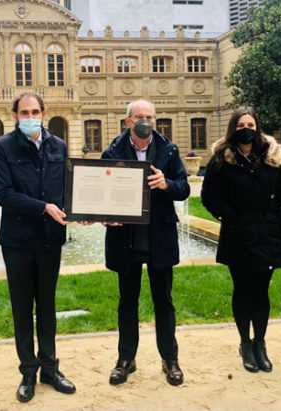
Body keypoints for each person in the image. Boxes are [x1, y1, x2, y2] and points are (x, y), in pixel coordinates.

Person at [0, 92, 76, 402]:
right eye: (24, 112)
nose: (30, 116)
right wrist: (44, 207)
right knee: (23, 307)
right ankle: (28, 371)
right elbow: (2, 194)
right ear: (14, 115)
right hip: (17, 241)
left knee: (48, 305)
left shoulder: (58, 145)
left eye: (35, 111)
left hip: (50, 239)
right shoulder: (2, 147)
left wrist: (82, 211)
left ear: (44, 112)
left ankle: (50, 369)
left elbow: (67, 189)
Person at [102, 99, 190, 386]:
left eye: (150, 116)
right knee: (127, 301)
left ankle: (170, 359)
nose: (145, 121)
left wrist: (167, 184)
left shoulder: (169, 149)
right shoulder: (112, 151)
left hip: (159, 236)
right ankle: (126, 359)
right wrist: (104, 217)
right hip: (126, 238)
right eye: (139, 116)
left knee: (163, 300)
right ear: (127, 121)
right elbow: (101, 196)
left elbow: (184, 188)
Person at [201, 107, 281, 373]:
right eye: (241, 125)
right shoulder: (222, 158)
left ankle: (260, 343)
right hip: (238, 233)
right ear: (233, 128)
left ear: (258, 127)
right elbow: (208, 196)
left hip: (267, 233)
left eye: (250, 123)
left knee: (261, 292)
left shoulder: (272, 157)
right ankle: (245, 343)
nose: (246, 128)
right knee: (242, 290)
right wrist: (230, 216)